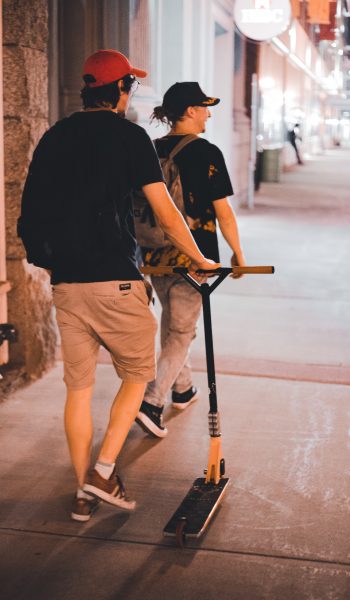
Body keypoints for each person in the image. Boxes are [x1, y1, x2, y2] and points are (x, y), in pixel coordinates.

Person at [18, 51, 218, 522]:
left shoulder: (54, 136)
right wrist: (199, 257)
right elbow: (165, 211)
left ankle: (82, 493)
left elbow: (32, 204)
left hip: (66, 283)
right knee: (135, 376)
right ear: (123, 88)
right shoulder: (130, 137)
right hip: (117, 281)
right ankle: (104, 470)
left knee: (78, 390)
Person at [135, 81, 245, 438]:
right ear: (191, 111)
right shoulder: (206, 152)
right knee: (182, 331)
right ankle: (152, 402)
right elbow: (223, 212)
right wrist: (239, 254)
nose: (208, 114)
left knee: (173, 323)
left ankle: (182, 390)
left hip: (154, 253)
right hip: (193, 256)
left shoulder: (150, 149)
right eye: (204, 108)